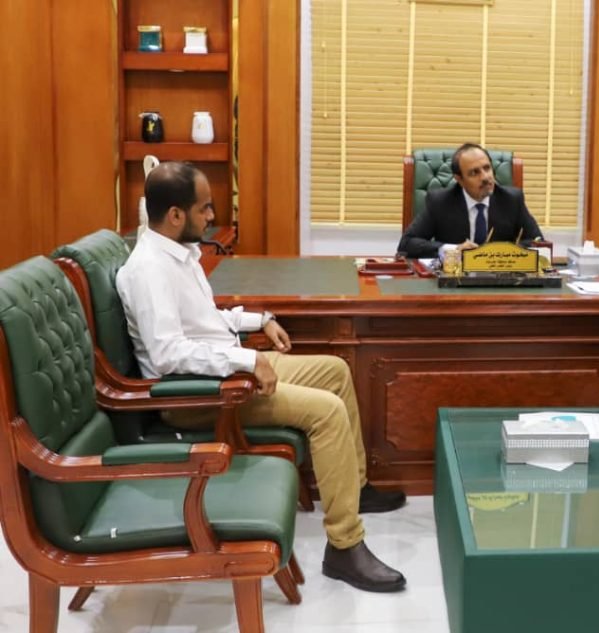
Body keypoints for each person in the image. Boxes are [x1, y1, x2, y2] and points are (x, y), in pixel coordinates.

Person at [117, 162, 408, 593]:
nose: (212, 216)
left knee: (335, 371)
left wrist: (260, 319)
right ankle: (344, 545)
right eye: (204, 208)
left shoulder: (179, 254)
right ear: (175, 215)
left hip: (224, 371)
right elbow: (167, 355)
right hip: (200, 397)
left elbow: (203, 320)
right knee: (327, 412)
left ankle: (356, 488)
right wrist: (247, 361)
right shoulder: (148, 270)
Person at [396, 143, 544, 258]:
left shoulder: (511, 200)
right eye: (474, 173)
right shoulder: (440, 202)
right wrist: (453, 250)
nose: (485, 177)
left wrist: (503, 252)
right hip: (455, 280)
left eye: (487, 168)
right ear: (459, 179)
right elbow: (407, 243)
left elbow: (539, 242)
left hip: (500, 279)